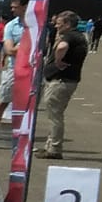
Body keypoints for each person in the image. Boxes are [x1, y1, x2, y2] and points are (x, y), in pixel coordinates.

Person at [34, 10, 88, 159]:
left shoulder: (70, 36)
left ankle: (54, 148)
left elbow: (62, 47)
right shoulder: (79, 37)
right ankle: (50, 145)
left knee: (55, 116)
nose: (56, 26)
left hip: (61, 80)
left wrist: (57, 61)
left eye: (59, 24)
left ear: (68, 24)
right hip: (67, 80)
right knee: (54, 114)